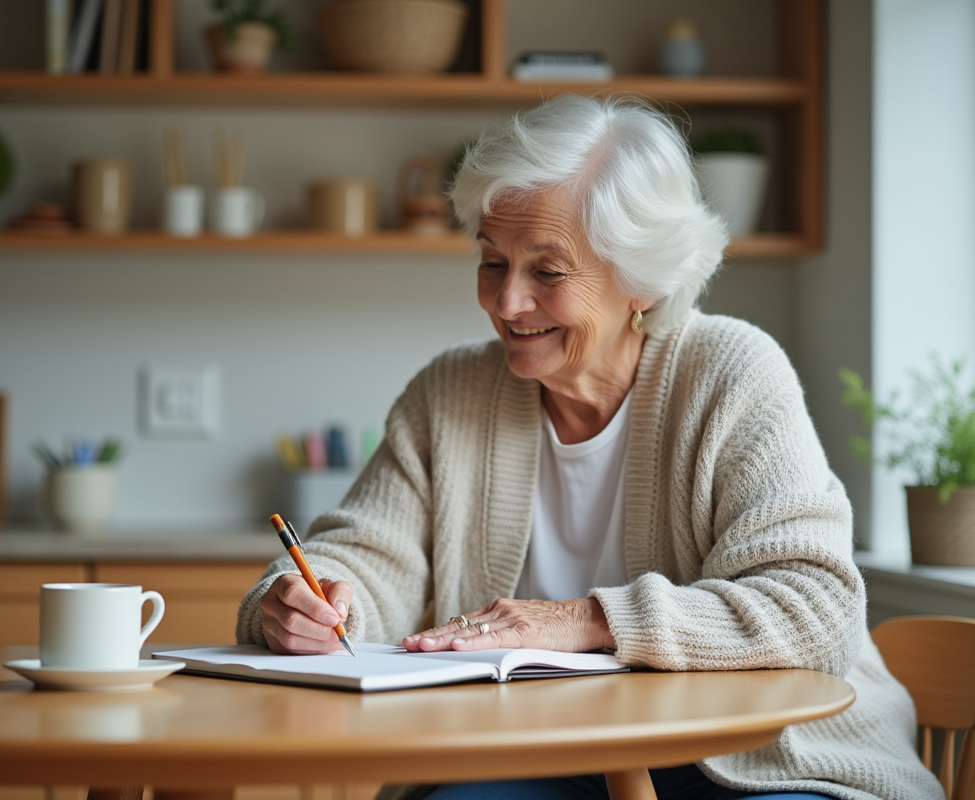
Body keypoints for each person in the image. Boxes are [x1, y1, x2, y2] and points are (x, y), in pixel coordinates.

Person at [235, 94, 941, 800]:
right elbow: (369, 553)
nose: (507, 303)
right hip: (542, 758)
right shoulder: (449, 392)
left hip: (760, 757)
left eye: (547, 272)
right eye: (491, 262)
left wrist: (585, 620)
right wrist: (312, 600)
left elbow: (815, 607)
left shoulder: (730, 372)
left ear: (643, 279)